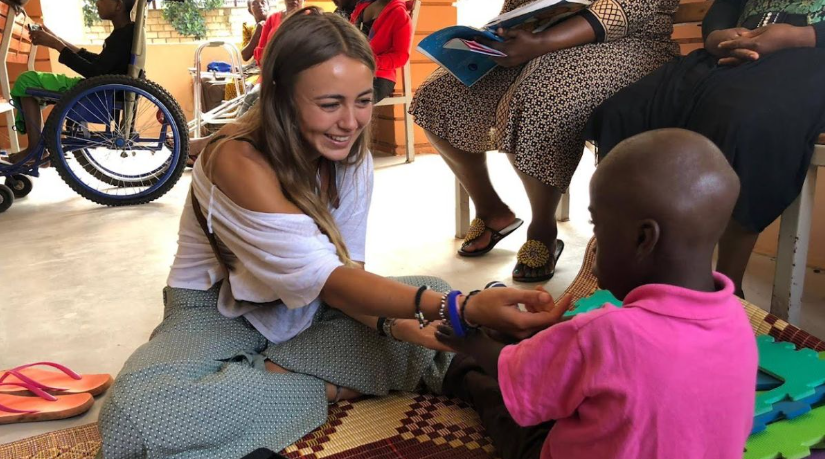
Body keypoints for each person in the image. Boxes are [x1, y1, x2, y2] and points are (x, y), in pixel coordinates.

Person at [98, 9, 559, 457]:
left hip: (313, 311)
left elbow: (346, 281)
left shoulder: (348, 153)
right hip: (217, 315)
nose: (351, 122)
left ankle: (260, 378)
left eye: (362, 101)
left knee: (423, 301)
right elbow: (332, 279)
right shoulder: (236, 161)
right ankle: (328, 384)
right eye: (329, 104)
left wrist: (401, 323)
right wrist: (458, 308)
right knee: (137, 414)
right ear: (280, 95)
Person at [436, 129, 759, 459]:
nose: (594, 250)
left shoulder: (605, 334)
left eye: (598, 227)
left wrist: (471, 343)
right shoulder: (737, 321)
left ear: (643, 239)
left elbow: (518, 376)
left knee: (497, 398)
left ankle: (457, 372)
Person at [410, 0, 681, 283]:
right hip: (537, 43)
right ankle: (492, 210)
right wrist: (501, 36)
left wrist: (541, 42)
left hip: (627, 43)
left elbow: (626, 9)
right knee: (438, 96)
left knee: (540, 98)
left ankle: (542, 227)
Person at [585, 0, 825, 297]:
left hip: (812, 56)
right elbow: (727, 6)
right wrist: (716, 35)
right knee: (623, 113)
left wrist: (799, 36)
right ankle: (634, 263)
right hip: (731, 52)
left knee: (741, 122)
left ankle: (727, 286)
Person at [2, 0, 134, 167]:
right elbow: (98, 63)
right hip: (100, 88)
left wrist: (56, 45)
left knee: (26, 80)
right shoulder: (126, 33)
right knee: (29, 81)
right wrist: (57, 39)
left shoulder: (121, 37)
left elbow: (93, 71)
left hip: (94, 90)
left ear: (118, 5)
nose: (97, 3)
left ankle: (35, 151)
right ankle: (36, 150)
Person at [187, 0, 305, 165]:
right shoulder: (273, 19)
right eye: (255, 4)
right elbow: (260, 57)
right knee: (251, 98)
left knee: (257, 100)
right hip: (269, 76)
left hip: (294, 79)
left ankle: (212, 145)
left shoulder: (311, 18)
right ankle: (218, 146)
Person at [350, 0, 412, 102]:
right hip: (351, 71)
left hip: (379, 76)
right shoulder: (361, 7)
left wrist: (371, 62)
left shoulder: (399, 14)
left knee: (350, 102)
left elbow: (401, 56)